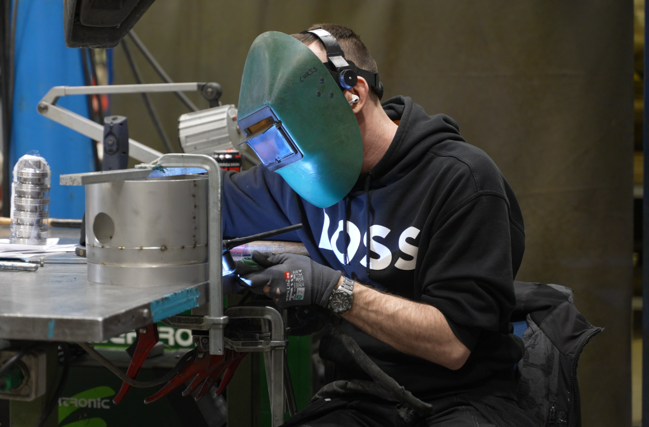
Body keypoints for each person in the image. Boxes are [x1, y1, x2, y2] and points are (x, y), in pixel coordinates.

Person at [221, 23, 537, 426]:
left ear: (352, 93)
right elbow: (201, 203)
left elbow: (452, 344)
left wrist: (330, 288)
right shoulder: (296, 176)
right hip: (357, 399)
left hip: (463, 401)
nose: (285, 154)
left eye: (295, 121)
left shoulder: (462, 180)